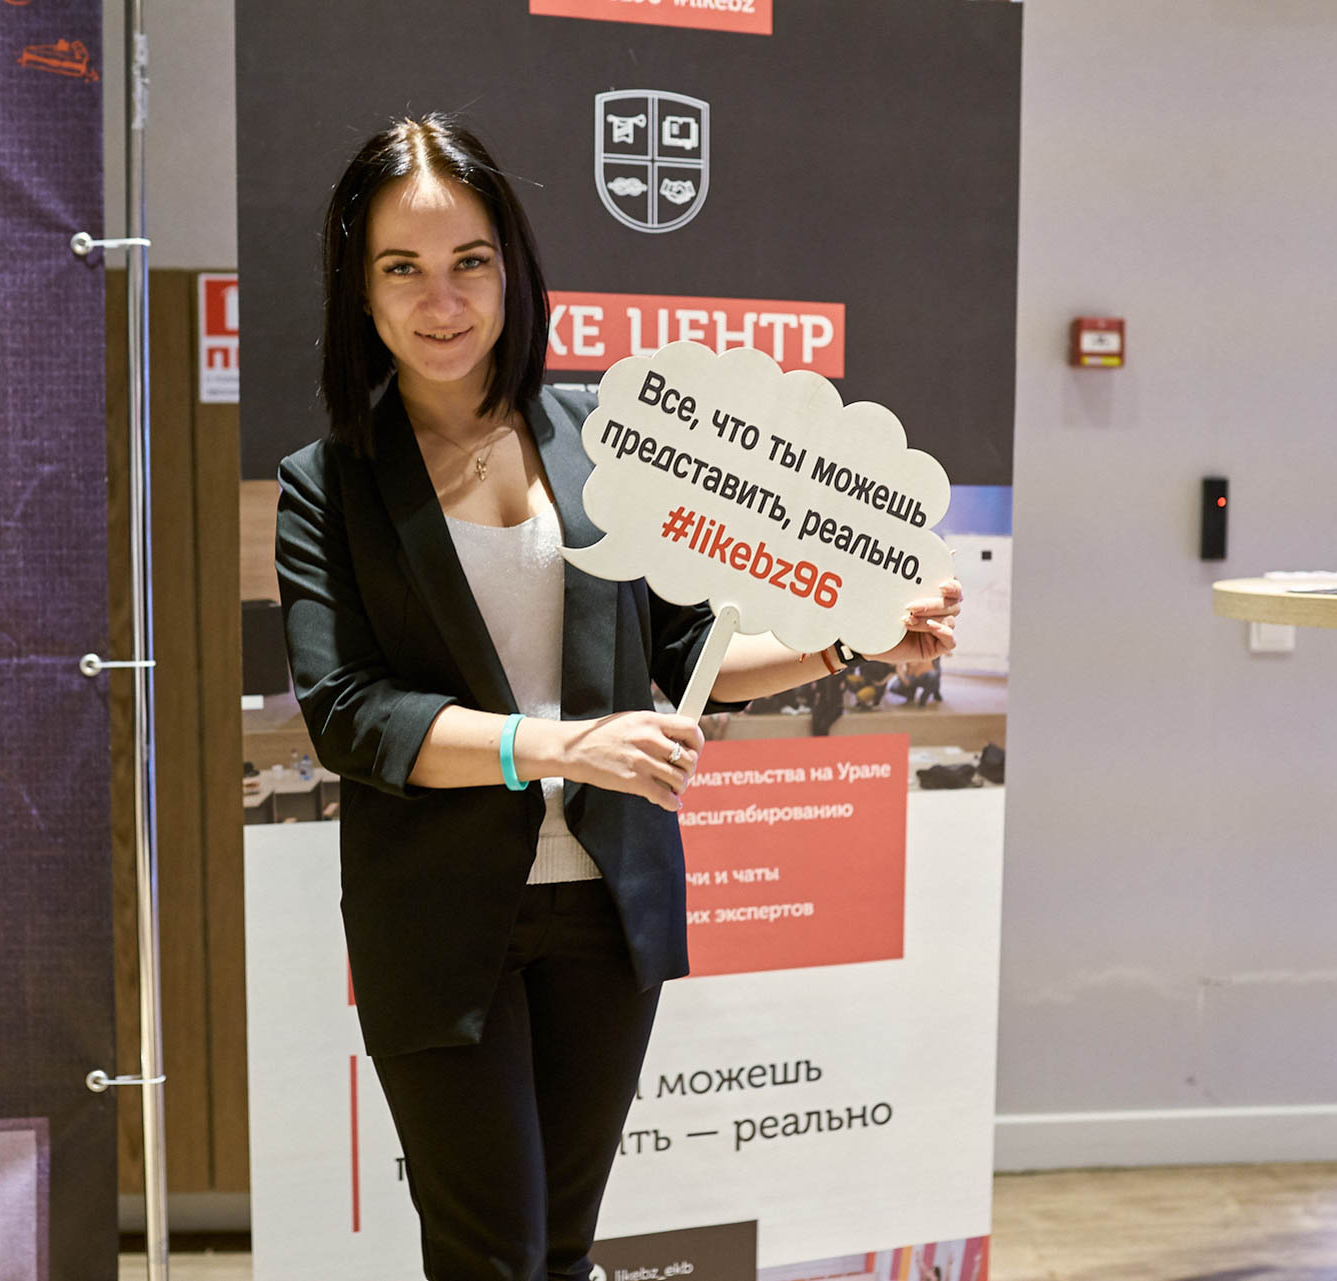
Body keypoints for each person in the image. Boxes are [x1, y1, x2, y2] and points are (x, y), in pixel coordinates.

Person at [274, 114, 963, 1281]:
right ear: (360, 289)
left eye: (469, 261)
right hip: (439, 923)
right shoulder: (327, 483)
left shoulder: (608, 437)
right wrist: (562, 748)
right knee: (489, 1257)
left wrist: (850, 639)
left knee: (560, 1250)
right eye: (403, 268)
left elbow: (688, 651)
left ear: (511, 267)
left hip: (607, 907)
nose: (443, 300)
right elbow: (348, 715)